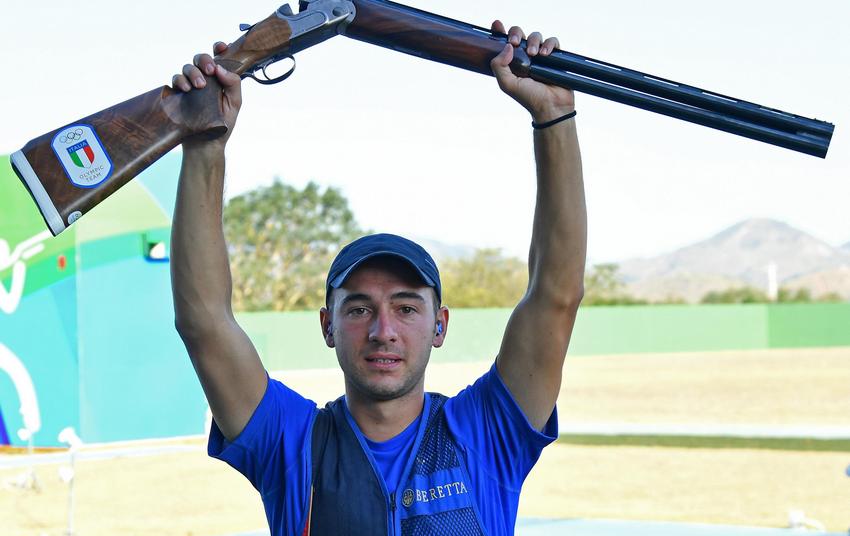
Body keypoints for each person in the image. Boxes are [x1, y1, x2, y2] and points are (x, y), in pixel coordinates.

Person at [171, 20, 586, 536]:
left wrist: (554, 117)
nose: (382, 330)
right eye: (360, 308)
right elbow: (204, 321)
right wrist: (205, 147)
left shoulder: (486, 432)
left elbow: (556, 296)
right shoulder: (292, 443)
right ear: (328, 325)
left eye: (407, 308)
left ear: (440, 325)